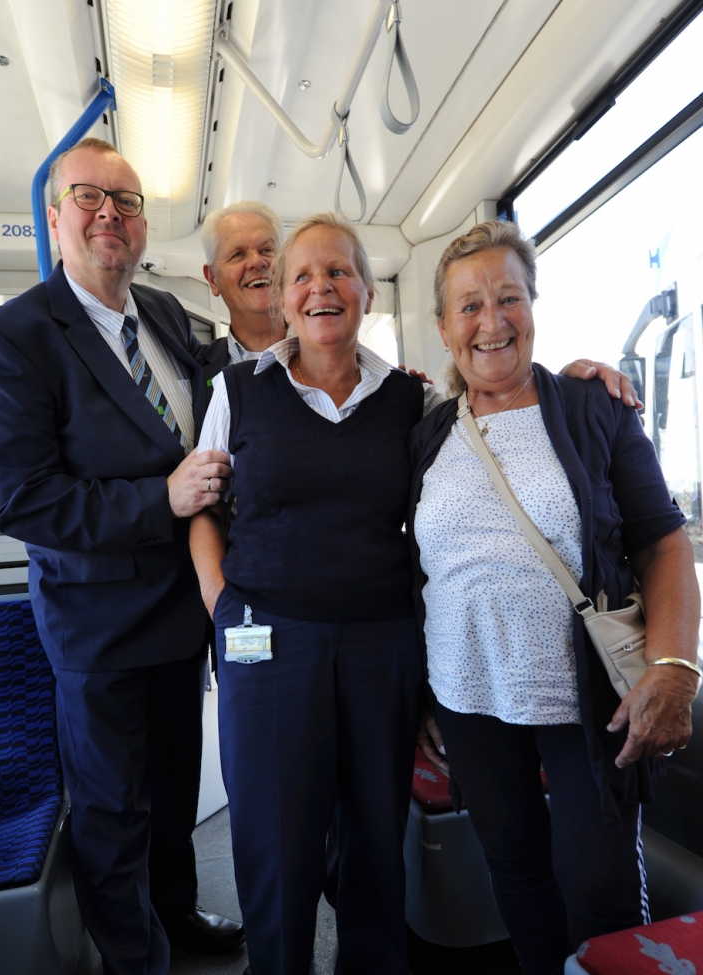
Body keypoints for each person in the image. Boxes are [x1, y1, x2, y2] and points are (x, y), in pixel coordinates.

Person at [0, 137, 242, 975]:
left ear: (144, 225)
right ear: (54, 217)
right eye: (88, 197)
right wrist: (162, 499)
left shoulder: (162, 316)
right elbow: (21, 499)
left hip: (180, 611)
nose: (108, 215)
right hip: (99, 626)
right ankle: (134, 959)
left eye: (125, 201)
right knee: (113, 807)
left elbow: (230, 401)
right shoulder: (9, 339)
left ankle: (175, 913)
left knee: (173, 790)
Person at [410, 219, 702, 975]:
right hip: (468, 699)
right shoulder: (428, 433)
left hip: (586, 702)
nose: (491, 320)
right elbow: (411, 569)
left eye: (508, 297)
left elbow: (665, 542)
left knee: (598, 884)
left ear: (533, 305)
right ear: (443, 327)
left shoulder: (591, 405)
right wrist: (420, 698)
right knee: (516, 875)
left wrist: (674, 666)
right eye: (469, 305)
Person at [190, 212, 440, 975]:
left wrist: (587, 384)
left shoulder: (411, 401)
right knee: (275, 843)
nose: (319, 286)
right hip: (266, 640)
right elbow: (200, 503)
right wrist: (223, 604)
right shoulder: (237, 390)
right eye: (302, 274)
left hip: (380, 643)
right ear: (284, 298)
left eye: (338, 272)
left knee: (373, 839)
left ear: (366, 290)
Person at [196, 201, 287, 397]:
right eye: (238, 254)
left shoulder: (330, 355)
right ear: (213, 279)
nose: (257, 261)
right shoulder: (194, 373)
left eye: (267, 250)